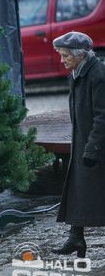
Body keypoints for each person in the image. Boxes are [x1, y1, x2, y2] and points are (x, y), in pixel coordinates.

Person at [51, 31, 105, 258]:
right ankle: (76, 237)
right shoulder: (77, 72)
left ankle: (76, 237)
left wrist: (92, 147)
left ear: (81, 55)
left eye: (65, 56)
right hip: (84, 139)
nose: (62, 60)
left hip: (97, 144)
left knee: (98, 192)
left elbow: (103, 115)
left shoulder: (98, 75)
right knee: (78, 188)